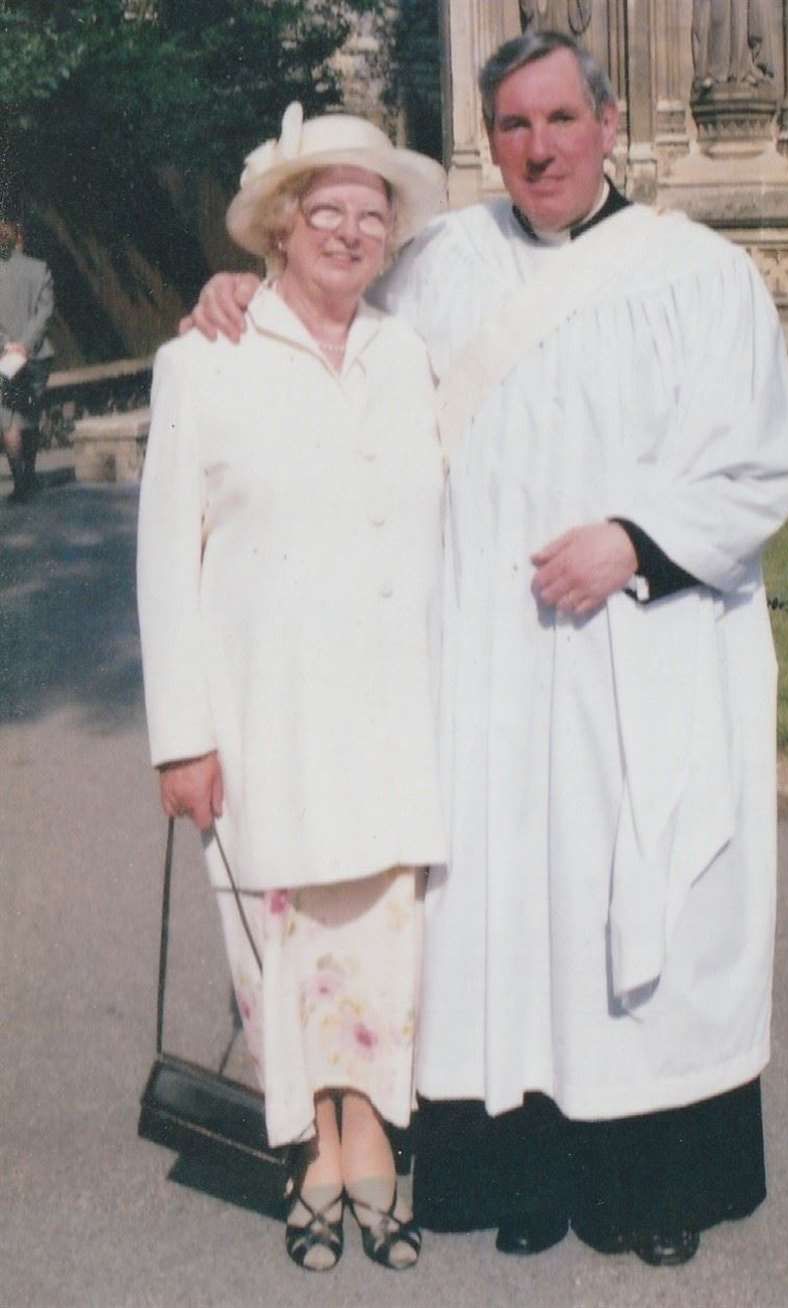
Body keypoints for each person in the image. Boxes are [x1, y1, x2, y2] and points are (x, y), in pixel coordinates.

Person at [187, 30, 788, 1268]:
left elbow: (765, 460)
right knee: (505, 920)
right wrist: (241, 293)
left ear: (609, 123)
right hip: (485, 669)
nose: (538, 148)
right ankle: (522, 1174)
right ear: (492, 138)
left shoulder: (701, 275)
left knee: (643, 917)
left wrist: (636, 541)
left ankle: (652, 1186)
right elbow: (332, 338)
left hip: (640, 657)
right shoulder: (441, 266)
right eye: (514, 127)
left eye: (561, 121)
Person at [137, 105, 447, 1275]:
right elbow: (167, 559)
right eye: (328, 211)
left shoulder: (406, 354)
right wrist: (182, 738)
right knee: (281, 935)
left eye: (373, 215)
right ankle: (310, 1138)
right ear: (279, 224)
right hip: (263, 712)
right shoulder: (202, 358)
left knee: (377, 928)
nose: (352, 233)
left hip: (391, 707)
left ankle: (369, 1121)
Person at [0, 217, 55, 504]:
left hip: (5, 358)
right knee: (30, 414)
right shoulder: (39, 269)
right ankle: (30, 476)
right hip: (36, 355)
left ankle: (21, 482)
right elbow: (45, 313)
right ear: (20, 237)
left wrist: (8, 345)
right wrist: (26, 344)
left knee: (8, 418)